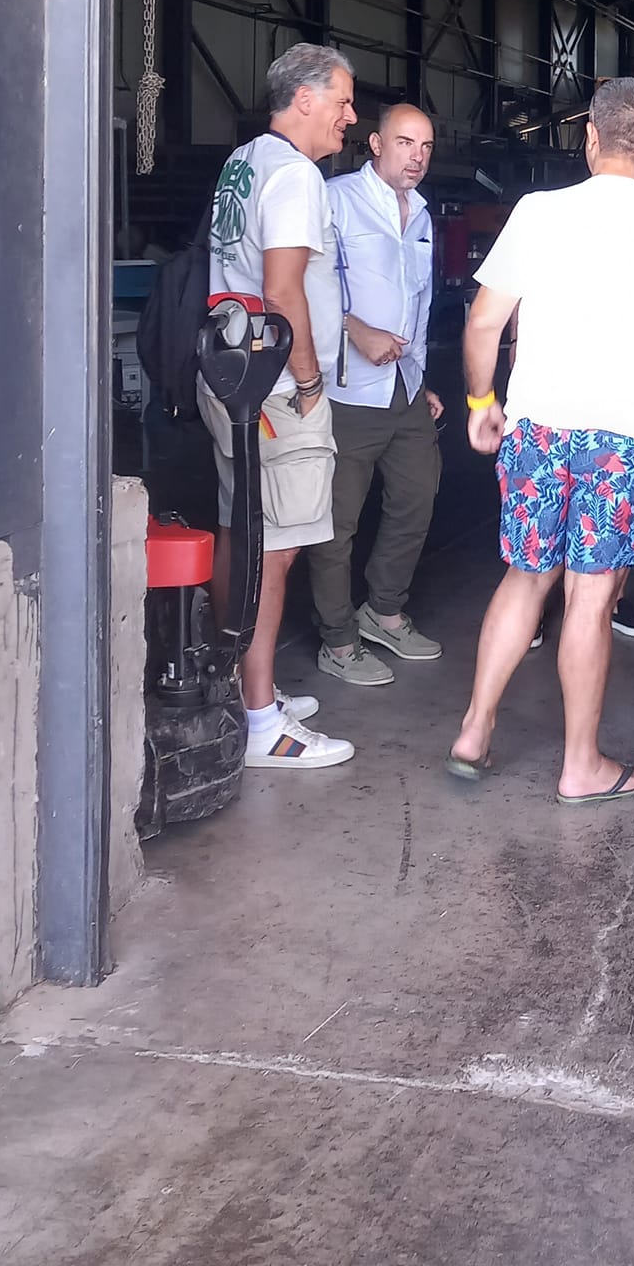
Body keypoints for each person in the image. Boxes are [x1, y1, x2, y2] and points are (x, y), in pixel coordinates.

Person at [448, 78, 634, 802]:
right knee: (592, 597)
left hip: (538, 428)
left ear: (590, 137)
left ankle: (475, 729)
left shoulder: (537, 213)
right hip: (626, 439)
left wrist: (482, 401)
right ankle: (580, 766)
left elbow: (483, 323)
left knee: (525, 577)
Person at [201, 41, 358, 772]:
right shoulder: (296, 175)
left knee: (241, 531)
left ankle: (241, 687)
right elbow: (283, 289)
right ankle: (262, 722)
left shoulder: (245, 161)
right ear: (304, 99)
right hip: (274, 386)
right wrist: (309, 381)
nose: (350, 118)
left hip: (230, 371)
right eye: (342, 102)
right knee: (276, 547)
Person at [308, 103, 446, 687]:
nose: (417, 156)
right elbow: (297, 283)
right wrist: (353, 327)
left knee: (416, 498)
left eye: (426, 146)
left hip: (405, 388)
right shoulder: (334, 199)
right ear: (376, 143)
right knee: (338, 521)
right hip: (346, 388)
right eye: (405, 142)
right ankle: (337, 640)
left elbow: (419, 302)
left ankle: (383, 611)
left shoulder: (422, 214)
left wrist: (422, 377)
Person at [528, 122, 634, 653]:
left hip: (613, 415)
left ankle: (608, 602)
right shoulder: (558, 213)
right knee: (552, 567)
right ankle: (546, 611)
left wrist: (485, 401)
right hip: (566, 410)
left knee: (592, 562)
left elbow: (487, 317)